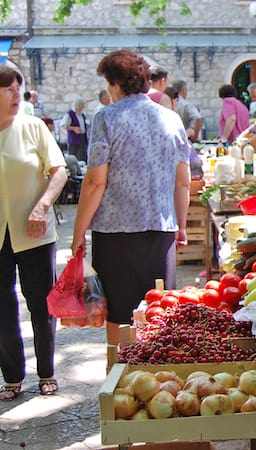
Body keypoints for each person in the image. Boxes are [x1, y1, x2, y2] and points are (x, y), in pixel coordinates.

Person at [71, 50, 191, 347]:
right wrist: (182, 225)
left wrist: (78, 231)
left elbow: (95, 182)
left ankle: (118, 378)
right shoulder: (171, 118)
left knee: (120, 315)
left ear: (115, 83)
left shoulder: (106, 117)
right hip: (160, 229)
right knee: (159, 312)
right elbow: (183, 181)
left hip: (115, 234)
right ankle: (157, 377)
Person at [0, 66, 67, 399]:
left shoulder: (33, 127)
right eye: (8, 90)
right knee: (2, 307)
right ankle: (12, 375)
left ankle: (46, 372)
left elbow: (58, 171)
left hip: (35, 231)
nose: (16, 96)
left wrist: (42, 206)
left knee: (41, 305)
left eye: (17, 89)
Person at [59, 98, 90, 162]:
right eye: (82, 106)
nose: (83, 108)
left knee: (83, 156)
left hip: (82, 137)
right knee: (74, 156)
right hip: (74, 139)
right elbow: (63, 125)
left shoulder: (82, 114)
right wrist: (74, 128)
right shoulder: (70, 114)